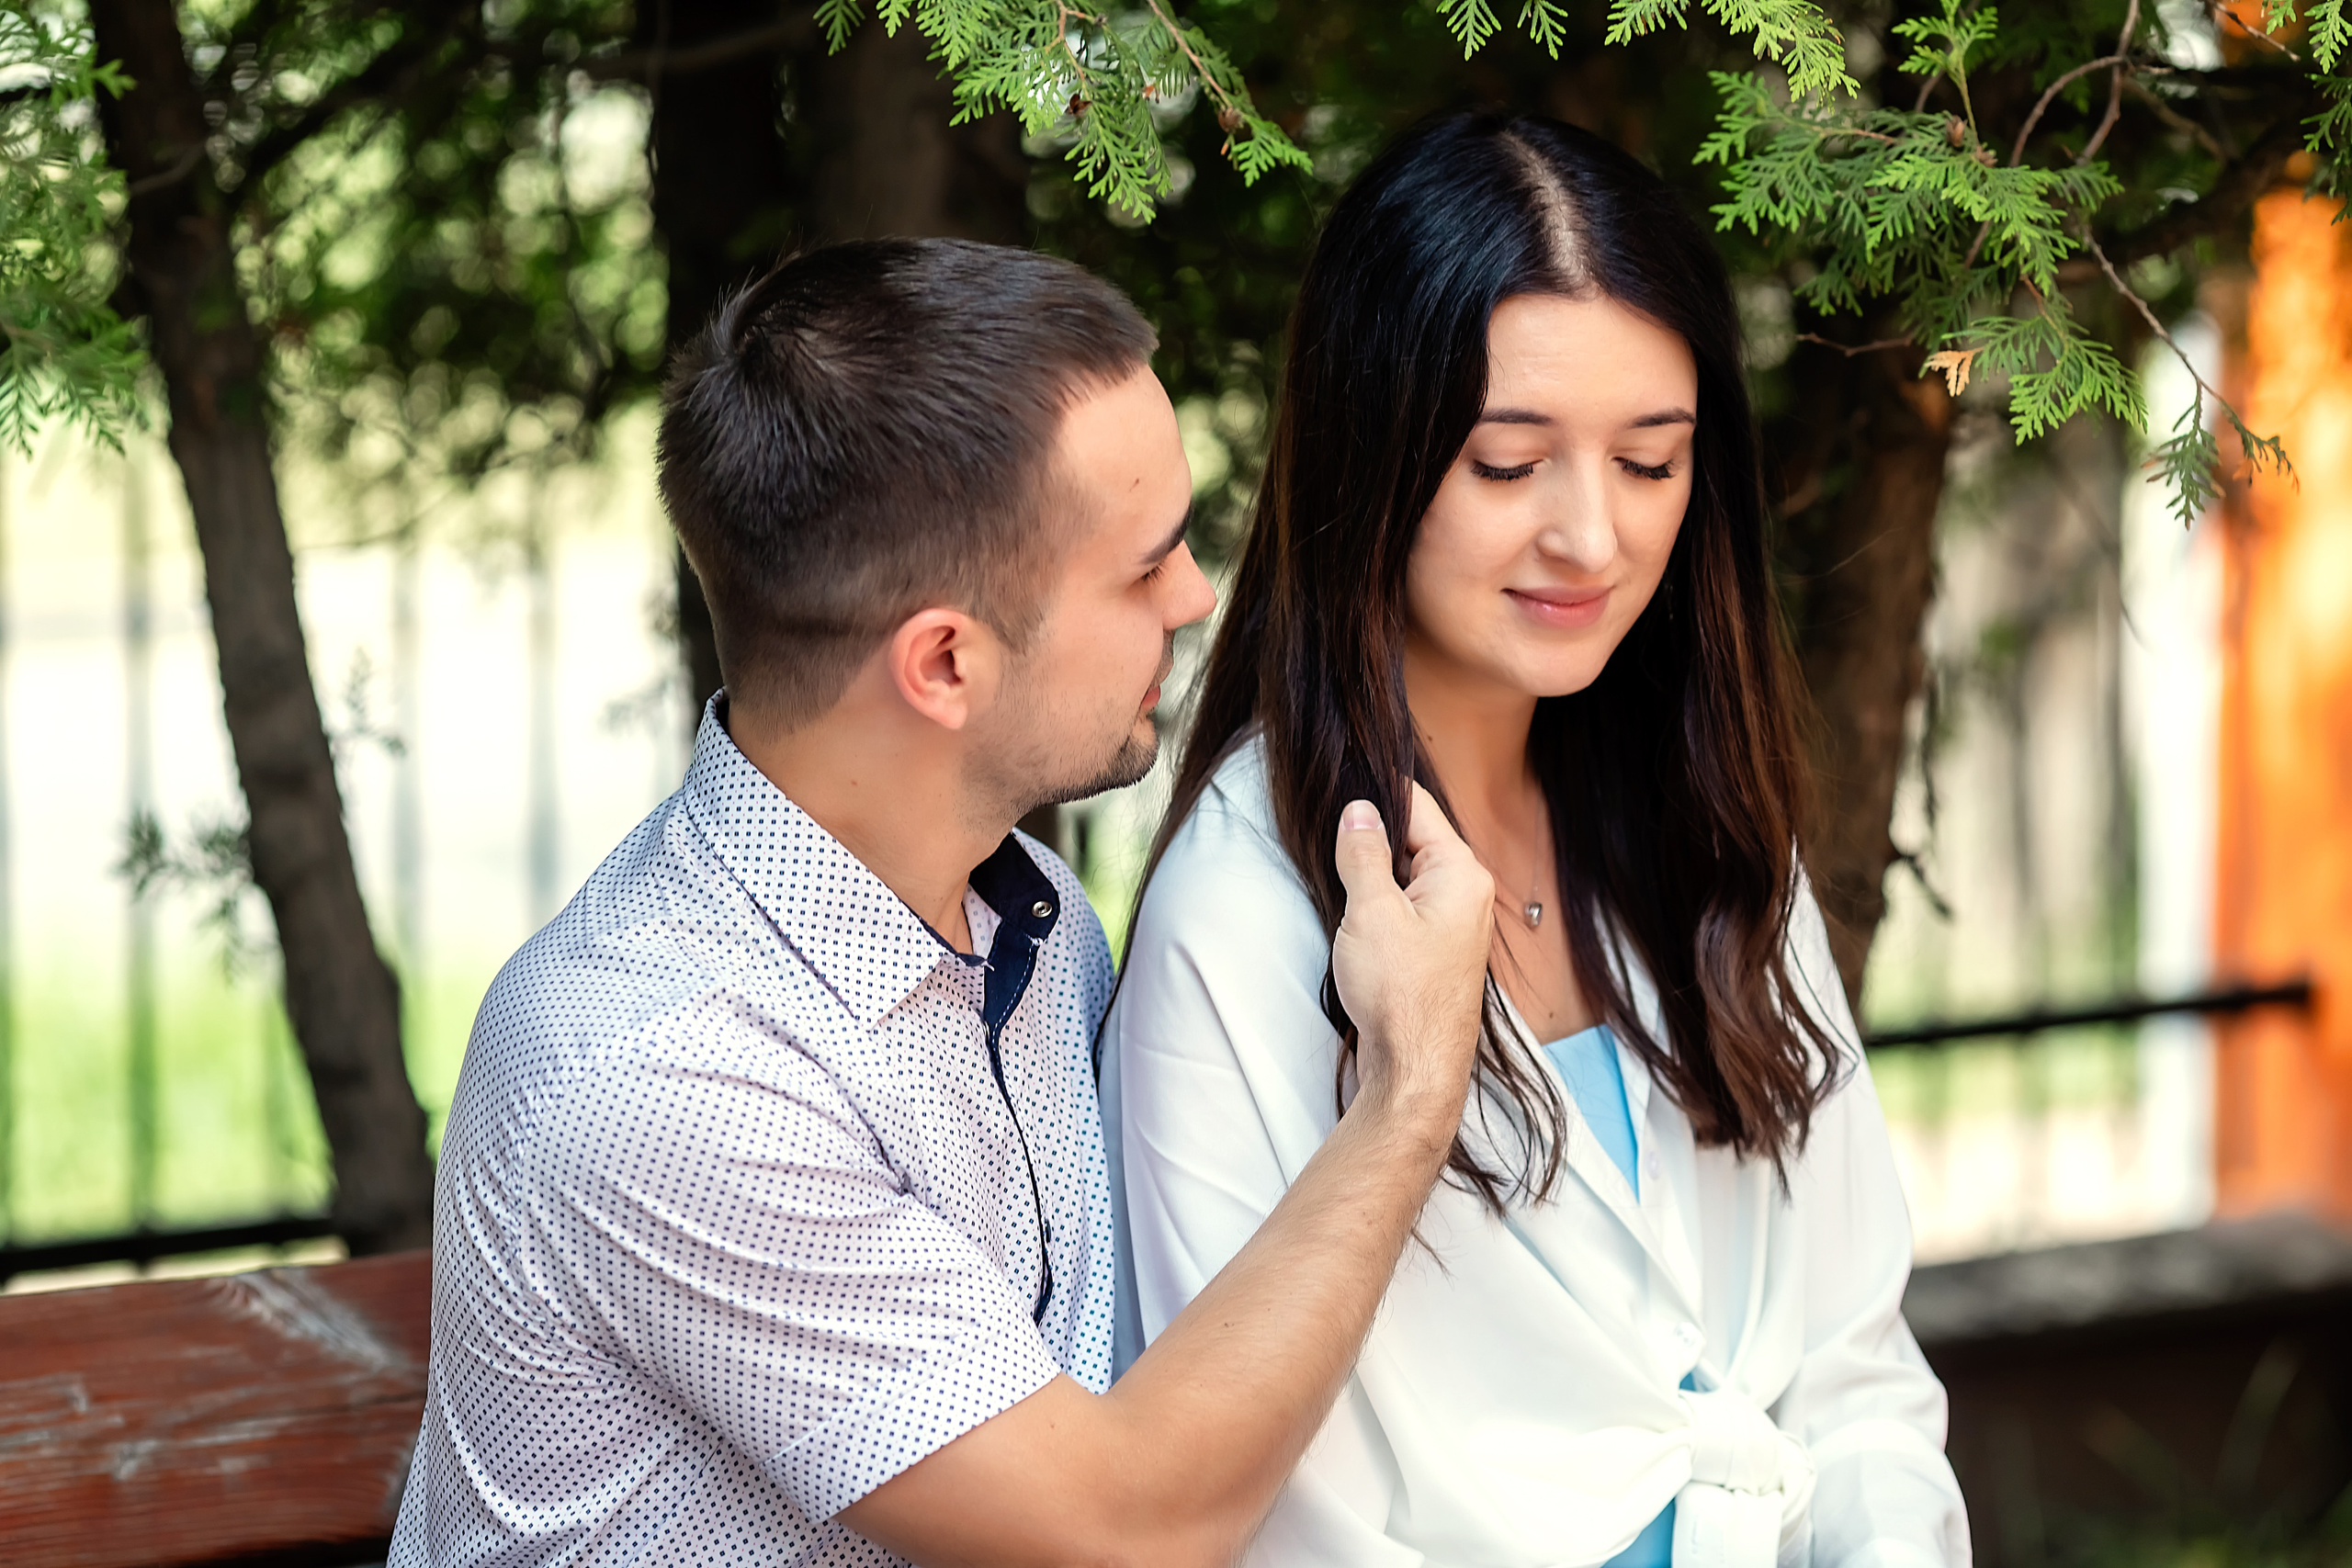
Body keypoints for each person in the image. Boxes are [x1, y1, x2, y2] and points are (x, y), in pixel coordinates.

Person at [388, 238, 1500, 1568]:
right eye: (1144, 570)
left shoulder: (1020, 906)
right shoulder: (665, 1073)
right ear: (946, 661)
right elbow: (1124, 1528)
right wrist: (1415, 1087)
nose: (1198, 598)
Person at [1103, 114, 1972, 1568]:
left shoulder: (1701, 814)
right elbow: (1279, 1522)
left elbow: (1853, 1374)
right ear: (1375, 459)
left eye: (1651, 462)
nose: (1594, 537)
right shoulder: (1244, 907)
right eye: (1511, 466)